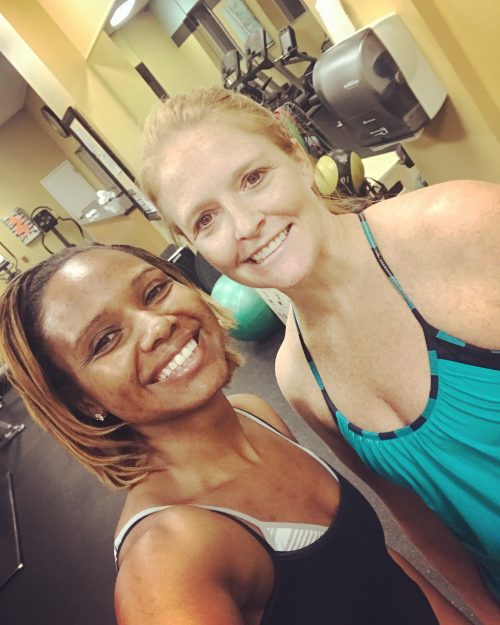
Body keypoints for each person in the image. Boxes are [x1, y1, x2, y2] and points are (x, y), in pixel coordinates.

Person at [137, 85, 500, 621]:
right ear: (195, 246)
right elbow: (420, 516)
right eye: (206, 219)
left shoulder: (457, 226)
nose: (245, 226)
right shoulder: (300, 379)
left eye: (253, 178)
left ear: (298, 154)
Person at [0, 243, 470, 625]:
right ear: (83, 401)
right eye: (105, 340)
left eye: (154, 291)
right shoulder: (168, 562)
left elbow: (372, 562)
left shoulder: (254, 414)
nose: (157, 325)